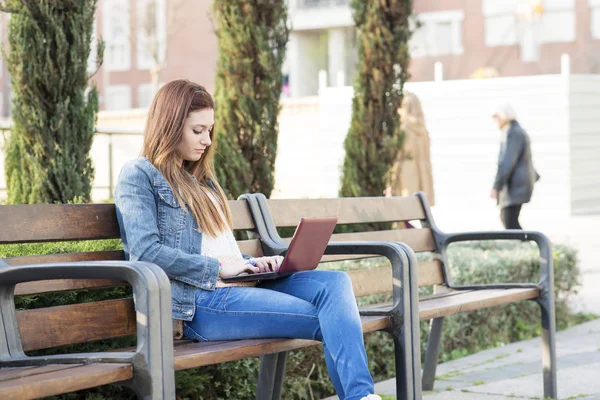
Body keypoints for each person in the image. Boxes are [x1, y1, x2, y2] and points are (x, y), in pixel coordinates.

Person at [114, 79, 382, 400]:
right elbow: (146, 253)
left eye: (210, 130)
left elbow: (219, 248)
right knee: (333, 318)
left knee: (335, 284)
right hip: (202, 302)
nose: (207, 140)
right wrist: (216, 269)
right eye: (197, 131)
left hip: (241, 286)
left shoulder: (203, 182)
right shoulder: (139, 175)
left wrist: (253, 264)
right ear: (170, 125)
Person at [490, 103, 539, 229]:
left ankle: (530, 244)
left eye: (496, 117)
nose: (495, 121)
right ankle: (527, 244)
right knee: (508, 219)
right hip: (518, 185)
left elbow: (507, 162)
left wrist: (497, 186)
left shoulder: (513, 133)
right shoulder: (513, 131)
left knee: (509, 220)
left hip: (515, 186)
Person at [386, 91, 435, 206]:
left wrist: (391, 182)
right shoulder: (423, 130)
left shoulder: (403, 128)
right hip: (422, 178)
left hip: (405, 178)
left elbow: (398, 157)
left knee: (403, 214)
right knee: (419, 211)